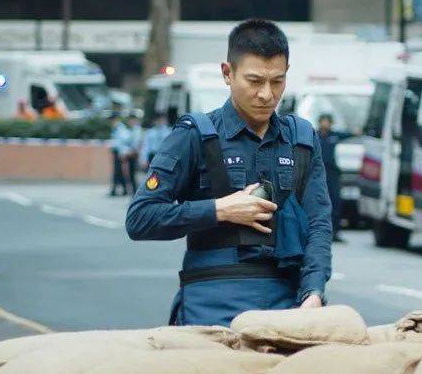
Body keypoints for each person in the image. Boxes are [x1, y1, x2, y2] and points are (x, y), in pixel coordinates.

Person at [126, 19, 332, 327]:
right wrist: (220, 210)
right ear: (227, 73)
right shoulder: (194, 135)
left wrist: (313, 292)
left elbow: (318, 224)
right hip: (211, 302)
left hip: (288, 302)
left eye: (277, 81)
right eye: (255, 80)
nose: (266, 94)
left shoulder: (301, 139)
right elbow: (140, 219)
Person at [317, 113, 356, 242]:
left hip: (332, 173)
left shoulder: (334, 135)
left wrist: (357, 132)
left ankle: (335, 232)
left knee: (335, 202)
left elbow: (348, 134)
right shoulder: (314, 135)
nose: (325, 124)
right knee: (317, 203)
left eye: (328, 121)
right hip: (318, 173)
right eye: (323, 121)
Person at [109, 112, 131, 196]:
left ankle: (115, 190)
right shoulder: (115, 128)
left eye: (112, 120)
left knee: (117, 171)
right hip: (116, 151)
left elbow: (124, 142)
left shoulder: (120, 128)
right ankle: (123, 190)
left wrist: (122, 153)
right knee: (118, 171)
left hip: (120, 152)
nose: (111, 121)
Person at [125, 112, 144, 193]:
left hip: (135, 155)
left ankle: (137, 193)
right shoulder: (132, 130)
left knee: (136, 175)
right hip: (132, 155)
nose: (130, 122)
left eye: (131, 120)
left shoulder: (137, 130)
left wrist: (131, 152)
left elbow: (137, 145)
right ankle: (134, 193)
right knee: (132, 175)